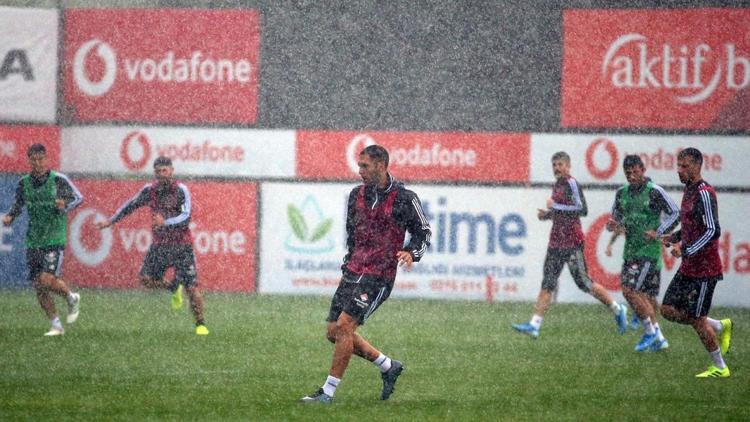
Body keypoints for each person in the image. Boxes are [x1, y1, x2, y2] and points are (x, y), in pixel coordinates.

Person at [300, 145, 431, 404]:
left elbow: (423, 233)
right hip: (354, 270)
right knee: (332, 332)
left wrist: (411, 253)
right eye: (359, 165)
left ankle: (327, 392)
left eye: (365, 166)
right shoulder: (355, 195)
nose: (359, 171)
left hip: (379, 275)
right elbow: (352, 233)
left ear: (381, 166)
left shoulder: (405, 198)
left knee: (345, 326)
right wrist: (349, 262)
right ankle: (388, 365)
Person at [512, 151, 628, 339]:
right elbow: (562, 211)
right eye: (554, 165)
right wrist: (547, 215)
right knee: (548, 283)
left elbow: (582, 209)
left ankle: (617, 309)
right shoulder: (557, 185)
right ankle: (534, 325)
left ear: (568, 166)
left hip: (572, 243)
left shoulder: (572, 183)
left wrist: (554, 207)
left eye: (560, 164)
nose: (557, 168)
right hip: (555, 242)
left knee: (585, 284)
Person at [94, 156, 209, 336]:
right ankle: (172, 287)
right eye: (158, 172)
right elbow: (130, 205)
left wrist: (166, 222)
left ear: (172, 171)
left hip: (181, 246)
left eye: (165, 171)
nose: (161, 175)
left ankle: (201, 324)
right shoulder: (150, 190)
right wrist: (111, 221)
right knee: (146, 279)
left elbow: (186, 217)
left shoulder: (181, 190)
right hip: (160, 246)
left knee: (192, 287)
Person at [660, 148, 732, 378]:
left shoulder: (704, 192)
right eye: (678, 166)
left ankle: (720, 367)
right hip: (689, 267)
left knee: (698, 320)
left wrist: (687, 248)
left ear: (697, 166)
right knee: (667, 310)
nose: (679, 171)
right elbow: (693, 225)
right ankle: (719, 326)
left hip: (705, 270)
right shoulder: (688, 191)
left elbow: (713, 230)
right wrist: (676, 237)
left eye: (684, 166)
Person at [2, 143, 83, 336]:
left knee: (46, 279)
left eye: (41, 159)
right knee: (39, 285)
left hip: (54, 236)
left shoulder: (58, 180)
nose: (38, 163)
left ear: (47, 159)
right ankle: (56, 325)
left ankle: (72, 297)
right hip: (34, 239)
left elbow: (79, 198)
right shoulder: (24, 183)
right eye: (34, 160)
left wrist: (65, 205)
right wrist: (10, 216)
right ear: (29, 161)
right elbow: (18, 204)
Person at [605, 155, 679, 352]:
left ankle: (649, 332)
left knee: (630, 290)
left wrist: (659, 231)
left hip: (648, 251)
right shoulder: (622, 193)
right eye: (627, 172)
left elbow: (675, 212)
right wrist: (612, 225)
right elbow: (615, 219)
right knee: (644, 296)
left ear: (643, 170)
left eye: (634, 171)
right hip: (630, 251)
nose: (631, 175)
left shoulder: (654, 191)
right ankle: (659, 338)